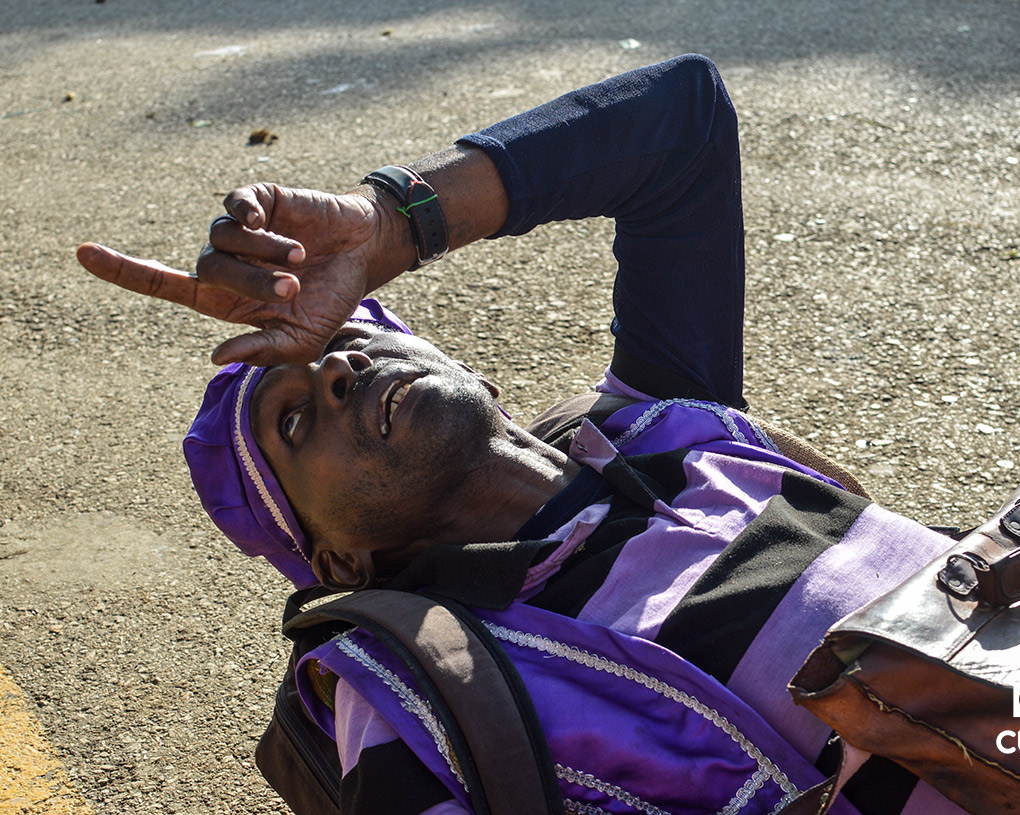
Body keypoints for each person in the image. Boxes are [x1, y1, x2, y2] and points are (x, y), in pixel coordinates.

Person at [78, 55, 970, 815]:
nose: (339, 368)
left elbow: (683, 116)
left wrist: (395, 221)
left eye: (347, 339)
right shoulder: (422, 693)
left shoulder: (666, 424)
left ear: (479, 382)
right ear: (341, 560)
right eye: (295, 418)